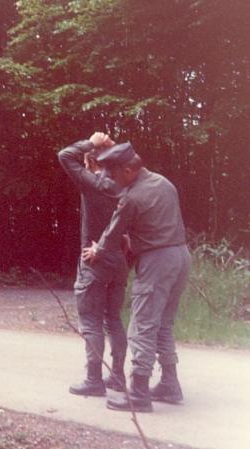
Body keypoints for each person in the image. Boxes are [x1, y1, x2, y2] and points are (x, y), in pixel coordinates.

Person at [82, 141, 191, 412]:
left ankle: (139, 393)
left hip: (157, 261)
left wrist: (97, 250)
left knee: (142, 325)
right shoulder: (163, 183)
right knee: (163, 323)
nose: (111, 179)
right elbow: (156, 222)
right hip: (180, 256)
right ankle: (169, 384)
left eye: (114, 174)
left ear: (129, 170)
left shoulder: (132, 197)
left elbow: (113, 232)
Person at [58, 132, 129, 397]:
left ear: (91, 163)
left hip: (93, 258)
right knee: (113, 319)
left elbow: (64, 155)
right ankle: (119, 377)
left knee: (90, 321)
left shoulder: (92, 183)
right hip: (118, 259)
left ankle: (93, 379)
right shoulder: (123, 186)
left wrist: (92, 142)